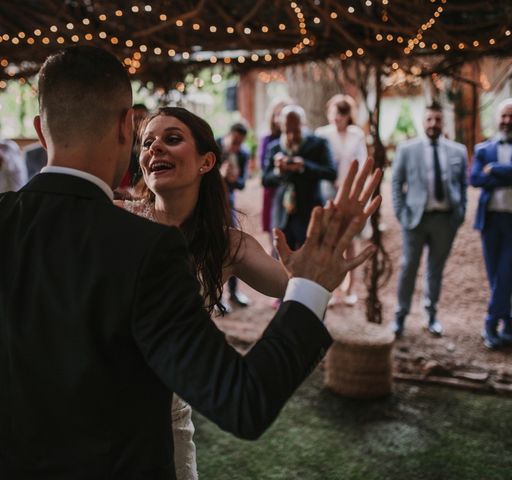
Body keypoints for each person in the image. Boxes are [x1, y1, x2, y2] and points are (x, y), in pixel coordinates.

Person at [0, 46, 377, 479]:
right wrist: (311, 284)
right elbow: (242, 402)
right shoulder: (142, 245)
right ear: (127, 126)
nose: (154, 147)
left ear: (39, 128)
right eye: (147, 136)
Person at [125, 107, 382, 478]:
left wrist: (318, 263)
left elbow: (296, 290)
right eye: (147, 143)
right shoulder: (118, 220)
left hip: (168, 413)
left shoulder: (229, 246)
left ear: (206, 161)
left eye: (173, 139)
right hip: (105, 397)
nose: (155, 149)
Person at [391, 101, 468, 338]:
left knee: (436, 269)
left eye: (437, 119)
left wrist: (460, 213)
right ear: (423, 121)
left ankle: (431, 315)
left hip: (445, 220)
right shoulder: (406, 149)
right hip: (415, 220)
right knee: (408, 268)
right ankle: (400, 316)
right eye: (429, 119)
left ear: (443, 121)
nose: (433, 124)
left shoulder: (458, 151)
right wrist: (401, 214)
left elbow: (462, 185)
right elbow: (396, 183)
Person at [316, 94, 369, 306]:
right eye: (333, 112)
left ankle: (350, 287)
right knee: (329, 240)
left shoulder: (356, 134)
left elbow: (363, 162)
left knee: (350, 240)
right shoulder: (322, 134)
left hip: (351, 193)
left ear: (348, 116)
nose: (336, 117)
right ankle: (330, 288)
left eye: (341, 113)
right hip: (328, 192)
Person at [263, 105, 337, 249]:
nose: (291, 136)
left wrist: (304, 166)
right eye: (287, 131)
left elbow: (331, 173)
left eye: (296, 131)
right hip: (282, 214)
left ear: (303, 124)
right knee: (281, 262)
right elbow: (265, 180)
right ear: (281, 125)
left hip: (309, 211)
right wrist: (278, 172)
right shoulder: (274, 148)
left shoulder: (319, 144)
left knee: (309, 261)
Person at [470, 97, 512, 349]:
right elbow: (474, 179)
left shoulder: (489, 159)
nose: (507, 121)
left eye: (511, 116)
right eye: (504, 116)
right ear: (497, 119)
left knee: (506, 273)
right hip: (490, 221)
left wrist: (494, 169)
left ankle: (490, 322)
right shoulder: (482, 149)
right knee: (495, 276)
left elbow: (486, 175)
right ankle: (508, 322)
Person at [218, 122, 251, 307]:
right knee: (213, 250)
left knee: (233, 246)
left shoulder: (243, 153)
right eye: (235, 141)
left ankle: (234, 292)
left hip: (229, 205)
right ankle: (216, 296)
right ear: (228, 134)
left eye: (240, 143)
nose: (237, 146)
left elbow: (242, 184)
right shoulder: (212, 145)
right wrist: (219, 175)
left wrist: (234, 179)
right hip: (208, 202)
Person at [258, 99, 290, 248]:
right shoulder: (267, 140)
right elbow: (264, 172)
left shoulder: (301, 138)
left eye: (284, 115)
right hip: (273, 193)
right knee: (276, 239)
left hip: (294, 195)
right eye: (277, 115)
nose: (280, 119)